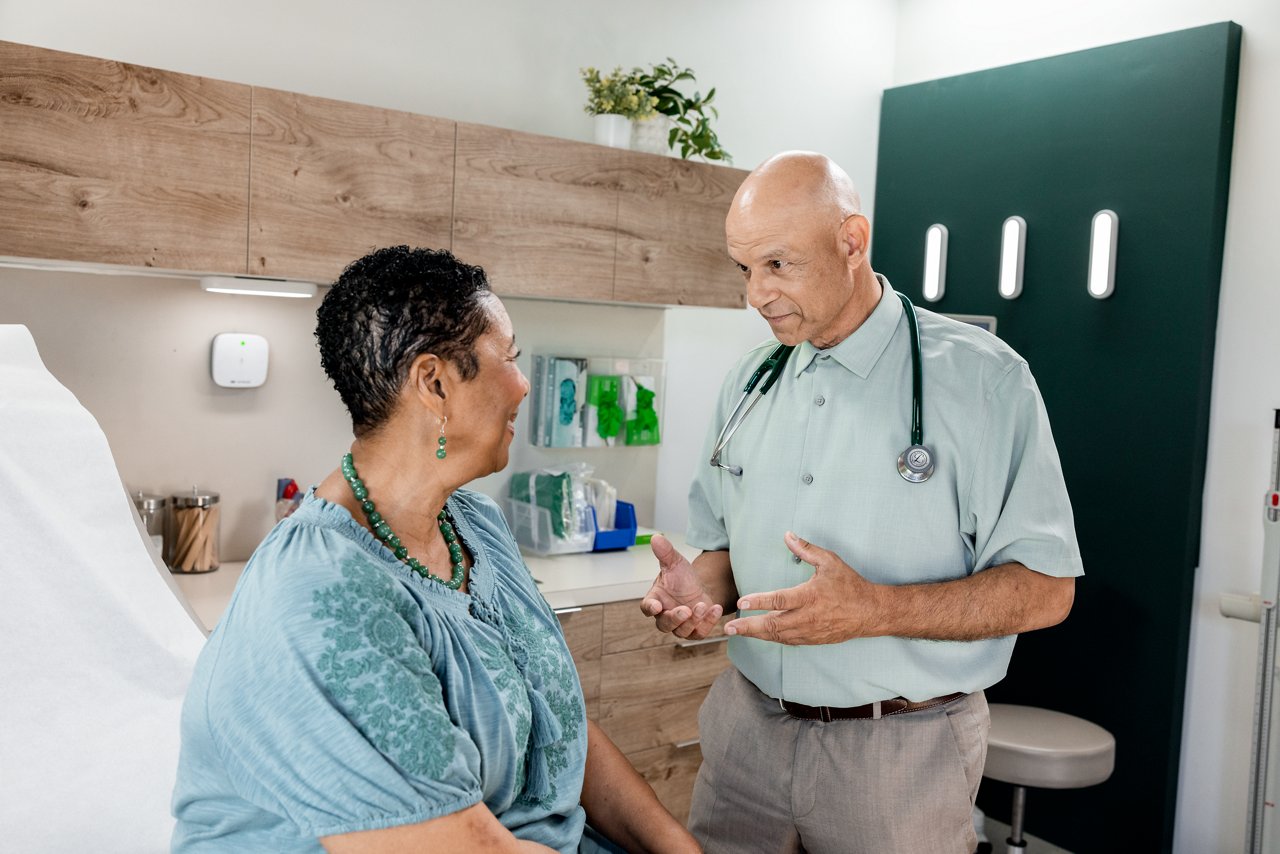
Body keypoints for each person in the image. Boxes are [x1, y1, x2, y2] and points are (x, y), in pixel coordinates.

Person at [172, 246, 699, 854]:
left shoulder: (476, 525)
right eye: (510, 358)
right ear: (435, 383)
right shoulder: (321, 596)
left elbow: (558, 736)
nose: (524, 384)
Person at [640, 152, 1083, 854]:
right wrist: (700, 593)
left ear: (851, 241)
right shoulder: (750, 382)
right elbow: (722, 549)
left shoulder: (983, 381)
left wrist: (876, 610)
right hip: (745, 737)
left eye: (778, 265)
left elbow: (1046, 590)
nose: (756, 294)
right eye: (743, 269)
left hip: (901, 754)